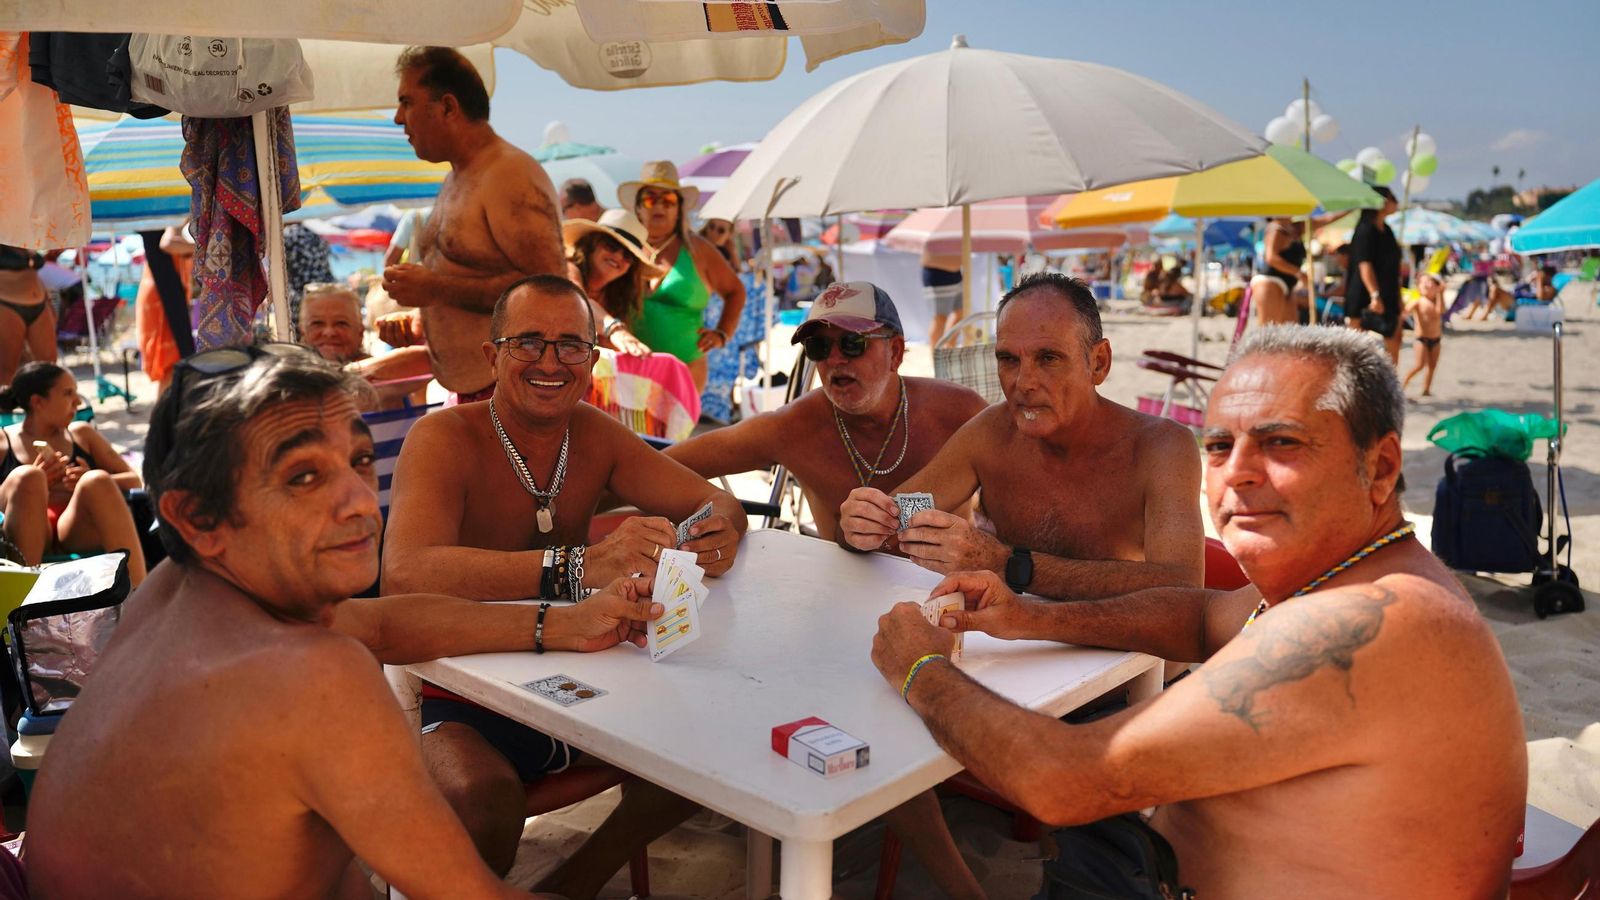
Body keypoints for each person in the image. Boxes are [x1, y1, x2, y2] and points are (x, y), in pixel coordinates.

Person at [871, 324, 1526, 898]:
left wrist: (919, 670)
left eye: (1282, 444)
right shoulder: (1345, 576)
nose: (1236, 474)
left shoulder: (1362, 623)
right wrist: (1025, 615)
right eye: (1218, 446)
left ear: (1379, 469)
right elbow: (1196, 617)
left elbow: (1061, 782)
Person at [25, 347, 673, 899]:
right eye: (304, 475)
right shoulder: (311, 676)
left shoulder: (172, 591)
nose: (360, 502)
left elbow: (380, 624)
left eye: (359, 461)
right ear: (197, 518)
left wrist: (559, 626)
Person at [382, 274, 747, 898]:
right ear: (491, 355)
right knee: (478, 803)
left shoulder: (596, 433)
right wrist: (576, 567)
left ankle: (577, 882)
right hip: (469, 687)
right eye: (528, 342)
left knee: (718, 745)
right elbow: (406, 571)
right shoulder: (442, 438)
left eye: (570, 345)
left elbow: (713, 502)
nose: (550, 362)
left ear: (593, 359)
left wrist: (712, 536)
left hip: (595, 675)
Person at [840, 273, 1204, 601]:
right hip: (1017, 656)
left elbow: (1183, 588)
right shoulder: (989, 435)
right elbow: (899, 515)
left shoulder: (1160, 448)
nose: (1024, 382)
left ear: (1098, 363)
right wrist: (864, 523)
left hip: (1128, 667)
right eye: (1008, 359)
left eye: (1048, 358)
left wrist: (1008, 565)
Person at [667, 282, 988, 540]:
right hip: (841, 601)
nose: (835, 359)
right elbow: (658, 468)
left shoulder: (959, 413)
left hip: (948, 600)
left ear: (896, 352)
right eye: (819, 347)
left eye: (852, 343)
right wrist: (721, 510)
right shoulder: (793, 427)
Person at [383, 47, 565, 404]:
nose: (397, 118)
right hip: (481, 393)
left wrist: (436, 290)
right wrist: (422, 322)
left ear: (448, 107)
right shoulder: (460, 176)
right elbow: (472, 277)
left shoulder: (508, 175)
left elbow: (550, 291)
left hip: (513, 397)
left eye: (407, 102)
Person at [0, 361, 147, 585]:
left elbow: (133, 479)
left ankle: (139, 595)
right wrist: (37, 484)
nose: (77, 402)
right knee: (29, 477)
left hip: (76, 527)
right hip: (29, 528)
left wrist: (86, 476)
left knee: (96, 480)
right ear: (38, 402)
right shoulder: (3, 441)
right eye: (68, 393)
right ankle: (22, 608)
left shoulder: (81, 434)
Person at [621, 161, 746, 392]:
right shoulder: (624, 249)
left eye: (668, 200)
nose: (659, 206)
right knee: (628, 430)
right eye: (650, 199)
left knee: (674, 430)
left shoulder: (699, 250)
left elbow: (735, 291)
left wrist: (722, 333)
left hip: (686, 368)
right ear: (638, 208)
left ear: (678, 209)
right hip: (630, 370)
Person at [563, 209, 658, 356]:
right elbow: (578, 302)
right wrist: (614, 329)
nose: (618, 256)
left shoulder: (617, 298)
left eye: (628, 254)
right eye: (611, 245)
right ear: (592, 242)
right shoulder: (568, 268)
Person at [1346, 186, 1402, 362]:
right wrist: (1374, 295)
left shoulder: (1387, 230)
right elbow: (1365, 264)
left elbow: (1394, 267)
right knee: (1358, 345)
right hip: (1366, 293)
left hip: (1387, 292)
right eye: (1391, 198)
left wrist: (1398, 295)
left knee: (1394, 338)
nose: (1395, 202)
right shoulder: (1365, 230)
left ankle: (1389, 383)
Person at [0, 244, 57, 386]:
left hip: (39, 301)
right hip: (6, 303)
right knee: (7, 371)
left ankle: (45, 406)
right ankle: (5, 407)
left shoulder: (24, 235)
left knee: (49, 366)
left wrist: (48, 302)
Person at [1250, 217, 1307, 325]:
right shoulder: (1276, 227)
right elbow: (1271, 257)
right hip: (1270, 281)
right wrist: (1299, 273)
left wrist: (1348, 207)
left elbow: (1326, 219)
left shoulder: (1294, 227)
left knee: (1290, 330)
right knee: (1268, 330)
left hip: (1285, 283)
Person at [1403, 271, 1446, 397]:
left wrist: (1440, 294)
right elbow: (1405, 311)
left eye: (1430, 282)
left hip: (1436, 339)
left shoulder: (1437, 301)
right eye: (1424, 283)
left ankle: (1426, 389)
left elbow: (1440, 311)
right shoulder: (1418, 301)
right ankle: (1403, 384)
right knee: (1419, 365)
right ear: (1419, 288)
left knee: (1432, 366)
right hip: (1421, 339)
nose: (1427, 285)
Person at [1480, 263, 1557, 319]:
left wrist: (1539, 280)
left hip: (1520, 305)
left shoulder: (1550, 288)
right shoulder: (1533, 284)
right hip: (1515, 300)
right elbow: (1516, 288)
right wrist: (1527, 280)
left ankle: (1484, 315)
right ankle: (1486, 314)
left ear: (1549, 277)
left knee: (1495, 289)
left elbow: (1540, 298)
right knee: (1494, 288)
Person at [922, 250, 964, 346]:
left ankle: (948, 352)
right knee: (940, 318)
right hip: (937, 272)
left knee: (960, 313)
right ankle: (936, 358)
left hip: (956, 273)